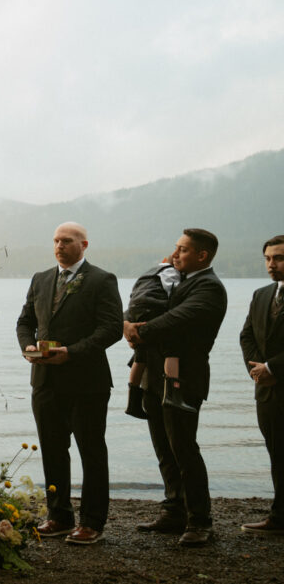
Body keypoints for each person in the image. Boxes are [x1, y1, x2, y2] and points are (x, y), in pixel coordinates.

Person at [16, 222, 122, 545]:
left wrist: (71, 353)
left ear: (84, 244)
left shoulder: (102, 280)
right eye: (56, 241)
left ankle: (92, 522)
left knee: (91, 452)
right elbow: (25, 322)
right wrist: (28, 346)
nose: (59, 246)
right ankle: (59, 516)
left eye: (66, 241)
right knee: (52, 451)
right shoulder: (41, 279)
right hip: (44, 381)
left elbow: (112, 328)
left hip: (86, 382)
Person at [125, 228, 227, 547]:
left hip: (186, 380)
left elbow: (178, 319)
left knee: (184, 449)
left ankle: (201, 521)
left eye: (182, 250)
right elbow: (147, 304)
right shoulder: (175, 281)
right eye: (175, 248)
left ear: (202, 256)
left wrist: (138, 331)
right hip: (156, 377)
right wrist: (129, 322)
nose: (174, 255)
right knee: (164, 449)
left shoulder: (209, 288)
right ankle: (174, 510)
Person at [239, 234, 284, 535]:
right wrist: (259, 370)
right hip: (267, 392)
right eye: (268, 258)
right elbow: (247, 336)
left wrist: (273, 368)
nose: (272, 264)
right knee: (277, 454)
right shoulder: (261, 294)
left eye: (279, 258)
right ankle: (280, 518)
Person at [123, 257, 189, 418]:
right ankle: (171, 394)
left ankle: (132, 402)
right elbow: (172, 289)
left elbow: (134, 292)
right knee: (172, 352)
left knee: (140, 357)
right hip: (153, 310)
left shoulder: (148, 274)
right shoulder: (170, 273)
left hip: (135, 311)